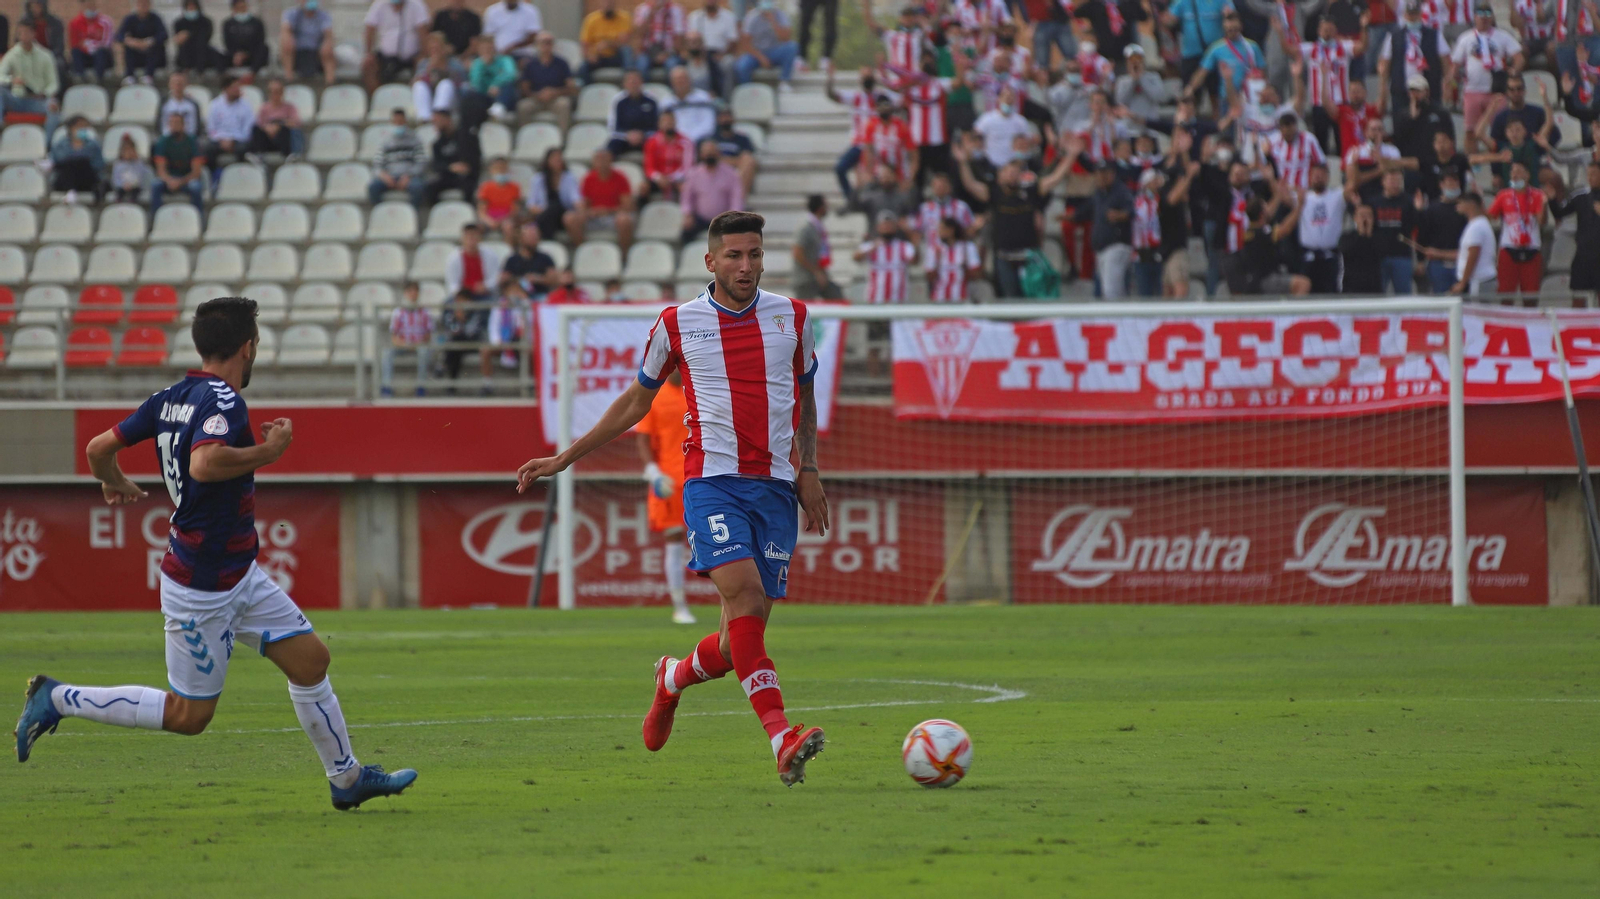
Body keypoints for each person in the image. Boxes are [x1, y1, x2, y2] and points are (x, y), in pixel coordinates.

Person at [17, 298, 419, 812]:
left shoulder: (170, 398)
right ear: (247, 347)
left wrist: (113, 480)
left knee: (312, 661)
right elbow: (205, 464)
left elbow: (99, 448)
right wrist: (269, 452)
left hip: (238, 574)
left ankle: (347, 779)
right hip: (201, 586)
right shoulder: (225, 401)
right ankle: (57, 698)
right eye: (257, 345)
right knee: (189, 716)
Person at [517, 210, 832, 786]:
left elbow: (806, 396)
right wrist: (564, 457)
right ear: (710, 261)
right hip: (711, 483)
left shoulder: (793, 316)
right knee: (744, 595)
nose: (746, 266)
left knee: (738, 640)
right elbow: (635, 403)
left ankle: (672, 678)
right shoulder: (677, 323)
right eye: (733, 255)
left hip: (775, 489)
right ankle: (781, 736)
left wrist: (808, 467)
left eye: (755, 254)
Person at [954, 142, 1074, 297]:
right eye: (1008, 172)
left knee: (1030, 296)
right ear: (1001, 174)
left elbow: (1055, 178)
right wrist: (963, 162)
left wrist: (1071, 155)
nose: (1011, 175)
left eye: (1015, 172)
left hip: (1028, 257)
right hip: (1004, 257)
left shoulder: (1030, 191)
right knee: (1009, 298)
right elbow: (970, 185)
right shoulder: (994, 193)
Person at [633, 369, 700, 626]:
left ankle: (730, 602)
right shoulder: (655, 397)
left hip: (701, 477)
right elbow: (643, 439)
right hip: (669, 481)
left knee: (713, 541)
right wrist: (653, 472)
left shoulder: (698, 391)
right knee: (674, 540)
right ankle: (679, 606)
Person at [1451, 5, 1524, 153]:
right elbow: (1455, 65)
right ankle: (1472, 163)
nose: (1484, 18)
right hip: (1472, 90)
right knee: (1470, 131)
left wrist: (1513, 72)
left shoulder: (1502, 36)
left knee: (1500, 130)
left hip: (1496, 91)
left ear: (1492, 17)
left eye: (1487, 15)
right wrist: (1451, 85)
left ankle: (1499, 160)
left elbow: (1519, 58)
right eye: (1480, 15)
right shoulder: (1466, 38)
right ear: (1474, 17)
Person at [1299, 14, 1363, 152]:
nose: (1327, 33)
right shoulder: (1311, 49)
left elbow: (1362, 47)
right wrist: (1281, 32)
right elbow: (1290, 50)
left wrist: (1364, 27)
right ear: (1319, 31)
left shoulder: (1343, 47)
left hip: (1341, 102)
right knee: (1321, 142)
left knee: (1342, 140)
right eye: (1325, 30)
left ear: (1336, 31)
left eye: (1330, 29)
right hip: (1319, 103)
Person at [1377, 0, 1450, 120]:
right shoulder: (1394, 36)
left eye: (1415, 14)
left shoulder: (1434, 35)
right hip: (1401, 91)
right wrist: (1382, 92)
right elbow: (1385, 64)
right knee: (1402, 125)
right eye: (1410, 14)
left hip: (1429, 91)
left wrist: (1447, 85)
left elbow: (1445, 61)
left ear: (1420, 14)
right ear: (1405, 15)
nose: (1412, 18)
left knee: (1430, 125)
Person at [1485, 160, 1548, 294]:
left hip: (1532, 248)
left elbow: (1542, 222)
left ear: (1527, 175)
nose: (1515, 175)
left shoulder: (1538, 195)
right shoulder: (1503, 195)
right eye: (1512, 172)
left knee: (1531, 293)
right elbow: (1489, 216)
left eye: (1519, 172)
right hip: (1509, 248)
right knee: (1505, 292)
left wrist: (1544, 205)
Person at [1075, 159, 1135, 298]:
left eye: (1105, 173)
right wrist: (1070, 216)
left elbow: (1131, 211)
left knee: (1111, 291)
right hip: (1102, 248)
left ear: (1112, 174)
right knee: (1109, 290)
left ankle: (1117, 313)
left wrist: (1119, 215)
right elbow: (1085, 212)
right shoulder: (1098, 193)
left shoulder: (1121, 191)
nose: (1101, 177)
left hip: (1116, 246)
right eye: (1099, 173)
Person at [1186, 9, 1264, 116]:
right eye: (1229, 30)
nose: (1232, 32)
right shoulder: (1217, 48)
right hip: (1227, 98)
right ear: (1224, 28)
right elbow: (1202, 72)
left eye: (1235, 29)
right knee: (1227, 126)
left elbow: (1262, 71)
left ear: (1241, 27)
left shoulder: (1251, 46)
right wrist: (1190, 89)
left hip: (1250, 97)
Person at [1291, 161, 1346, 293]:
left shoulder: (1337, 196)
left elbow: (1352, 186)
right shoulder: (1303, 197)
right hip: (1308, 257)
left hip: (1330, 256)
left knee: (1331, 293)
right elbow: (1282, 195)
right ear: (1310, 177)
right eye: (1315, 175)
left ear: (1327, 177)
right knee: (1306, 292)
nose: (1318, 178)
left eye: (1321, 175)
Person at [0, 25, 60, 141]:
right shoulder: (12, 54)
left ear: (33, 34)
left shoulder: (46, 55)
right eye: (20, 33)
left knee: (53, 107)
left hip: (38, 100)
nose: (24, 36)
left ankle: (46, 145)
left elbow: (53, 83)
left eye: (27, 32)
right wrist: (12, 80)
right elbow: (0, 75)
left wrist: (45, 94)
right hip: (16, 99)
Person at [1548, 161, 1600, 294]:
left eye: (1594, 174)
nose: (1590, 177)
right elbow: (1559, 213)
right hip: (1583, 253)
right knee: (1578, 294)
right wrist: (1552, 199)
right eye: (1588, 174)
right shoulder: (1580, 197)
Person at [574, 147, 637, 250]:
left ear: (610, 160)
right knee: (570, 218)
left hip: (614, 216)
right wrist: (589, 212)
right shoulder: (588, 179)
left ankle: (624, 254)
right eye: (598, 159)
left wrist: (606, 211)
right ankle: (581, 250)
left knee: (624, 220)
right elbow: (584, 204)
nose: (601, 162)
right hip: (594, 217)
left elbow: (627, 206)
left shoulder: (620, 178)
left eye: (604, 158)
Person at [680, 139, 744, 240]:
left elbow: (736, 198)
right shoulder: (693, 174)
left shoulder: (730, 174)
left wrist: (734, 217)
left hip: (723, 219)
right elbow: (687, 198)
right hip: (700, 219)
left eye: (712, 153)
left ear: (718, 154)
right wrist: (688, 215)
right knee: (685, 233)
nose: (710, 156)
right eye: (707, 153)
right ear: (701, 155)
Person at [1415, 170, 1468, 292]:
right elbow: (1423, 235)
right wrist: (1420, 260)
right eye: (1450, 183)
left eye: (1456, 183)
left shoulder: (1465, 208)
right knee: (1441, 297)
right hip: (1438, 263)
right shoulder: (1432, 209)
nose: (1453, 186)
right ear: (1441, 185)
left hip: (1461, 261)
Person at [362, 0, 429, 93]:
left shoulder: (417, 5)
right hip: (386, 55)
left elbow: (423, 32)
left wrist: (423, 54)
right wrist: (369, 52)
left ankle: (415, 95)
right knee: (368, 65)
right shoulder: (379, 5)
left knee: (423, 65)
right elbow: (369, 29)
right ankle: (377, 95)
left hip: (412, 56)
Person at [855, 210, 919, 303]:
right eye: (884, 225)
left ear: (895, 227)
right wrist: (871, 248)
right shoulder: (871, 245)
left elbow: (915, 261)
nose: (887, 228)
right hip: (875, 300)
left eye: (890, 225)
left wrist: (915, 242)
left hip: (898, 300)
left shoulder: (904, 246)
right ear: (878, 227)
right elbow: (856, 258)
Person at [436, 290, 493, 394]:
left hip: (473, 342)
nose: (461, 304)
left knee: (455, 345)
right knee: (454, 350)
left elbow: (472, 332)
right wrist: (457, 319)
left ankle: (443, 367)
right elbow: (450, 330)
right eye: (458, 301)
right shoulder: (451, 313)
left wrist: (463, 320)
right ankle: (452, 385)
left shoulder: (475, 313)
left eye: (463, 301)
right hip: (457, 344)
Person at [1370, 168, 1418, 293]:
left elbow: (1417, 226)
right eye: (1392, 180)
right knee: (1377, 294)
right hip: (1379, 256)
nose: (1395, 184)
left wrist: (1419, 210)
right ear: (1383, 182)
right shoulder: (1374, 202)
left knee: (1403, 296)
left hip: (1402, 256)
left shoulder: (1409, 201)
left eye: (1398, 181)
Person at [368, 107, 428, 206]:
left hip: (409, 176)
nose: (398, 124)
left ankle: (412, 212)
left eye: (401, 121)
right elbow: (377, 163)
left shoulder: (415, 139)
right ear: (392, 122)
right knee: (373, 187)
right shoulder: (385, 141)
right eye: (396, 121)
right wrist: (384, 176)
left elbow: (421, 162)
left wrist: (409, 175)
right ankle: (379, 211)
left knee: (418, 187)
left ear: (405, 121)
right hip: (390, 176)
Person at [1343, 116, 1408, 206]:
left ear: (1384, 132)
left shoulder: (1392, 150)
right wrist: (1379, 171)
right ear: (1366, 132)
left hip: (1384, 192)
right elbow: (1352, 180)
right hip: (1363, 191)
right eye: (1373, 129)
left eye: (1380, 129)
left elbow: (1396, 176)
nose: (1376, 132)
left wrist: (1380, 159)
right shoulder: (1355, 151)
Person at [735, 0, 800, 90]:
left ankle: (784, 81)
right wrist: (761, 57)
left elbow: (786, 38)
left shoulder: (781, 15)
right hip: (756, 53)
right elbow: (745, 43)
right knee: (742, 66)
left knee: (792, 47)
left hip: (774, 51)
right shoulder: (751, 16)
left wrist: (773, 21)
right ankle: (746, 89)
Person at [382, 282, 432, 397]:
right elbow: (394, 337)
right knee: (386, 353)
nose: (413, 294)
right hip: (402, 344)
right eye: (410, 291)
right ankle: (387, 386)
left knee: (424, 352)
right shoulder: (398, 312)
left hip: (419, 344)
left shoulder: (425, 312)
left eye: (415, 291)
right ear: (405, 293)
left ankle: (421, 386)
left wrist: (417, 343)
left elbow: (428, 335)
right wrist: (405, 344)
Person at [519, 31, 576, 130]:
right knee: (523, 107)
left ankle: (562, 138)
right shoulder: (530, 64)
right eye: (542, 42)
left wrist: (554, 92)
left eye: (549, 42)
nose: (545, 45)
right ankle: (525, 136)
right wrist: (537, 95)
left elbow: (571, 87)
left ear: (553, 45)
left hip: (556, 98)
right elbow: (524, 88)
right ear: (536, 45)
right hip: (536, 98)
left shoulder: (562, 63)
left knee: (564, 104)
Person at [1393, 73, 1457, 161]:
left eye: (1418, 91)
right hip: (1411, 160)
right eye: (1412, 91)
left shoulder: (1440, 113)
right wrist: (1412, 118)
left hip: (1434, 159)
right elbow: (1399, 139)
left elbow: (1450, 137)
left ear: (1427, 92)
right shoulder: (1402, 116)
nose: (1415, 94)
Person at [425, 109, 482, 205]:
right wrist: (450, 167)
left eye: (438, 120)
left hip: (467, 176)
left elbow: (476, 157)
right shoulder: (437, 144)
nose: (435, 124)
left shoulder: (467, 137)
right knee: (430, 188)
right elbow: (436, 164)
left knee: (469, 189)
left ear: (448, 120)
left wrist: (467, 166)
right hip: (448, 176)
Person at [152, 110, 204, 213]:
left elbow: (196, 172)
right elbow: (160, 170)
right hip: (168, 180)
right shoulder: (163, 142)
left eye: (177, 122)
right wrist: (169, 180)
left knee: (196, 187)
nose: (174, 125)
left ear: (183, 125)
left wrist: (180, 182)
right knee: (155, 185)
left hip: (187, 180)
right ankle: (155, 217)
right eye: (172, 123)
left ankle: (198, 217)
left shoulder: (192, 142)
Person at [792, 194, 842, 299]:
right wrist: (815, 271)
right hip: (805, 280)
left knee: (836, 295)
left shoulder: (817, 227)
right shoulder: (806, 228)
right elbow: (797, 253)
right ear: (820, 208)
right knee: (806, 307)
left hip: (817, 277)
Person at [1489, 74, 1560, 149]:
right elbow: (1494, 145)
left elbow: (1549, 126)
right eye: (1512, 89)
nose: (1516, 92)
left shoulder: (1538, 113)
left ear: (1524, 90)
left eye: (1519, 88)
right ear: (1507, 92)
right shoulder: (1500, 118)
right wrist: (1490, 109)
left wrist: (1545, 97)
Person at [205, 76, 255, 183]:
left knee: (243, 149)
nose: (238, 90)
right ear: (226, 89)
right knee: (207, 149)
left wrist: (232, 140)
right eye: (234, 87)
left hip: (238, 140)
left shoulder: (246, 106)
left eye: (239, 87)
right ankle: (214, 178)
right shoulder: (215, 105)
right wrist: (222, 140)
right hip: (219, 140)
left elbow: (247, 130)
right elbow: (211, 129)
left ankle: (239, 177)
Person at [1451, 190, 1500, 294]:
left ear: (1471, 204)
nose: (1457, 206)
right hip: (1480, 280)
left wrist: (1463, 283)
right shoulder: (1478, 224)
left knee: (1476, 305)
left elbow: (1473, 254)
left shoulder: (1476, 227)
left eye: (1460, 203)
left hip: (1478, 281)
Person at [924, 216, 982, 301]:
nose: (939, 232)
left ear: (951, 230)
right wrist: (937, 262)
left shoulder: (967, 247)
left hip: (962, 298)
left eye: (942, 229)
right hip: (939, 299)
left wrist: (963, 268)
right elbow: (929, 277)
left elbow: (977, 274)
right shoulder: (934, 249)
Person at [412, 32, 466, 123]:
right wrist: (428, 70)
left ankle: (440, 117)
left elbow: (462, 83)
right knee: (419, 86)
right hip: (430, 98)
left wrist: (442, 68)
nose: (435, 52)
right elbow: (414, 83)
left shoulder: (455, 63)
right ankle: (425, 119)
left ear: (444, 48)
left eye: (437, 48)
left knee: (445, 84)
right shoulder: (424, 64)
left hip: (452, 101)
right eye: (432, 49)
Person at [528, 147, 580, 240]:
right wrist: (544, 211)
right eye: (554, 159)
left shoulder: (569, 177)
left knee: (556, 209)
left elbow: (575, 198)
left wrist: (580, 210)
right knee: (550, 211)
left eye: (559, 159)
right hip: (544, 213)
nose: (557, 161)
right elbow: (531, 205)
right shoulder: (538, 179)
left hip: (562, 214)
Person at [642, 109, 694, 201]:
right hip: (659, 179)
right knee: (642, 188)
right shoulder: (652, 142)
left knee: (685, 188)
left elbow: (687, 167)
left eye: (670, 120)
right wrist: (658, 178)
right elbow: (649, 167)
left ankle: (686, 209)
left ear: (675, 122)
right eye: (664, 121)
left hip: (678, 179)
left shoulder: (686, 142)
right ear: (659, 124)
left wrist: (671, 179)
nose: (668, 123)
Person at [49, 116, 103, 203]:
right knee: (68, 165)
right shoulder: (61, 145)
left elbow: (98, 165)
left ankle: (71, 192)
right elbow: (57, 161)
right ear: (71, 128)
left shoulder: (93, 145)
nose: (82, 129)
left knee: (82, 162)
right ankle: (70, 191)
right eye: (79, 126)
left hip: (86, 179)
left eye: (84, 127)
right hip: (64, 180)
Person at [465, 33, 517, 121]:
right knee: (470, 93)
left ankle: (498, 109)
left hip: (502, 94)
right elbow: (475, 83)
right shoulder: (477, 64)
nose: (487, 51)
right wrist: (482, 66)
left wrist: (495, 84)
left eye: (489, 48)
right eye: (484, 49)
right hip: (484, 96)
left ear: (494, 48)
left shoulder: (505, 60)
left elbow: (511, 74)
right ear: (479, 50)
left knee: (508, 86)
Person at [445, 223, 502, 303]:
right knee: (448, 304)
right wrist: (461, 293)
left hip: (484, 295)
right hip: (463, 295)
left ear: (479, 238)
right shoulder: (453, 258)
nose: (471, 239)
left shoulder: (490, 255)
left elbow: (495, 277)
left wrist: (486, 286)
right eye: (468, 236)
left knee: (493, 302)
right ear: (462, 239)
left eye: (474, 236)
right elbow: (452, 283)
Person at [607, 70, 660, 157]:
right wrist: (627, 135)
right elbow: (613, 128)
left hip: (646, 138)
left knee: (658, 146)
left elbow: (657, 127)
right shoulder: (618, 101)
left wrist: (642, 135)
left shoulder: (652, 100)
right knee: (606, 151)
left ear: (642, 82)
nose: (633, 83)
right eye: (630, 80)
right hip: (623, 139)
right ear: (624, 84)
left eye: (636, 80)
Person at [280, 0, 335, 82]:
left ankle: (330, 82)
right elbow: (286, 30)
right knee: (286, 43)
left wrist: (327, 44)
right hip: (297, 52)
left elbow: (328, 35)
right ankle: (288, 79)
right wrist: (289, 39)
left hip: (316, 53)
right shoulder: (291, 14)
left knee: (328, 49)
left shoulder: (324, 15)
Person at [500, 221, 558, 299]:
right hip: (519, 295)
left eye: (535, 236)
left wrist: (538, 279)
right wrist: (517, 280)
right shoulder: (512, 260)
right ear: (521, 238)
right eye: (530, 236)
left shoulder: (545, 258)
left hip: (541, 295)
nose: (533, 239)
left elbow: (554, 280)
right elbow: (504, 280)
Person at [579, 0, 634, 81]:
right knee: (583, 68)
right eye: (605, 2)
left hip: (617, 56)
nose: (608, 5)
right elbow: (584, 44)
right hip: (599, 57)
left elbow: (625, 42)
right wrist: (590, 56)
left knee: (626, 51)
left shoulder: (625, 17)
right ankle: (586, 87)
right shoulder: (591, 19)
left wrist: (608, 44)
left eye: (610, 2)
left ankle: (629, 81)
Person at [250, 77, 304, 159]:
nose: (274, 94)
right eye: (271, 91)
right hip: (267, 139)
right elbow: (259, 123)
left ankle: (288, 156)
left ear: (282, 92)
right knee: (255, 129)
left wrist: (279, 126)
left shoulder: (290, 107)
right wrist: (267, 128)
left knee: (286, 130)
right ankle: (258, 154)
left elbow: (296, 123)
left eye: (276, 91)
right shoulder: (264, 108)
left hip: (282, 140)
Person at [662, 65, 717, 144]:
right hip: (674, 142)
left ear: (690, 80)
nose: (680, 82)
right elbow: (665, 126)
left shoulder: (704, 98)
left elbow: (708, 125)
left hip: (700, 141)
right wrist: (680, 140)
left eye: (682, 78)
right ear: (671, 83)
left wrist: (689, 139)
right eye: (676, 80)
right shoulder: (666, 103)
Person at [115, 0, 166, 84]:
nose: (143, 6)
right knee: (128, 49)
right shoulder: (130, 19)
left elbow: (163, 35)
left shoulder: (156, 18)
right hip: (135, 53)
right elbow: (119, 35)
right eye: (141, 4)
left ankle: (149, 75)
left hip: (151, 53)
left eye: (145, 4)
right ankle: (129, 76)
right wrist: (130, 41)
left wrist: (149, 42)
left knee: (155, 48)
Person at [710, 107, 758, 195]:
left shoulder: (743, 139)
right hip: (716, 170)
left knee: (749, 160)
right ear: (718, 120)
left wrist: (724, 160)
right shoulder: (711, 139)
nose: (726, 119)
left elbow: (747, 159)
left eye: (728, 116)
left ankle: (738, 197)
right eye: (723, 117)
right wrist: (735, 160)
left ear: (733, 119)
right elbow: (709, 158)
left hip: (738, 172)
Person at [1338, 203, 1385, 292]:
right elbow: (1345, 250)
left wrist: (1368, 233)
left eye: (1368, 215)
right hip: (1351, 287)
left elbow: (1381, 252)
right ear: (1355, 218)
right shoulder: (1347, 237)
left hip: (1373, 287)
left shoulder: (1378, 238)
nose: (1365, 218)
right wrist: (1361, 233)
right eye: (1362, 215)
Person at [633, 0, 685, 75]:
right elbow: (638, 33)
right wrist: (652, 13)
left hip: (669, 53)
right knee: (642, 65)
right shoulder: (642, 9)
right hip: (647, 52)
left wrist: (667, 54)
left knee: (673, 66)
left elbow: (679, 38)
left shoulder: (676, 10)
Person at [476, 156, 522, 242]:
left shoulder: (515, 187)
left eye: (503, 168)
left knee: (509, 227)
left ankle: (510, 248)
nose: (500, 171)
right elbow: (481, 211)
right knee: (476, 228)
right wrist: (489, 221)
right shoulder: (485, 187)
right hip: (489, 218)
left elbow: (515, 210)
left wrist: (502, 220)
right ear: (491, 170)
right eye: (497, 168)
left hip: (507, 219)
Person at [68, 0, 116, 81]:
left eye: (92, 5)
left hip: (100, 55)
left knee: (102, 52)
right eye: (88, 6)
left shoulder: (106, 21)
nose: (91, 8)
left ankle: (98, 79)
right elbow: (74, 43)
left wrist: (91, 45)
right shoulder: (75, 23)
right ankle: (79, 78)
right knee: (75, 52)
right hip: (85, 55)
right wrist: (87, 47)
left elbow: (107, 43)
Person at [172, 0, 219, 73]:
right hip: (185, 55)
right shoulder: (179, 23)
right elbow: (178, 39)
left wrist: (189, 35)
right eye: (189, 7)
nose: (191, 10)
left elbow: (205, 37)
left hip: (203, 54)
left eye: (193, 7)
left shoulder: (206, 22)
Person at [222, 0, 268, 72]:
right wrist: (236, 55)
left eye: (243, 7)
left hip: (252, 55)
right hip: (235, 57)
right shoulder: (228, 24)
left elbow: (260, 41)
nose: (242, 10)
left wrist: (245, 54)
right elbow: (227, 43)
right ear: (234, 9)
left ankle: (252, 73)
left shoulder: (257, 22)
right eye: (239, 8)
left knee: (264, 49)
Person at [111, 133, 150, 202]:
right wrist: (122, 185)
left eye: (130, 150)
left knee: (136, 191)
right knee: (119, 192)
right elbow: (115, 179)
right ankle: (119, 202)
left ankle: (133, 202)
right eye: (126, 151)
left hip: (135, 186)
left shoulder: (138, 163)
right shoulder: (118, 164)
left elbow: (141, 176)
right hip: (122, 186)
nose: (128, 153)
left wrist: (132, 185)